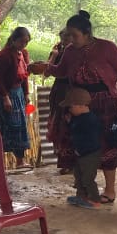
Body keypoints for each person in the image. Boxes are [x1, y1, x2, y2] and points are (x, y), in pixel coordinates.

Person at [38, 10, 117, 204]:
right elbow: (62, 71)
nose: (71, 39)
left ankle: (109, 190)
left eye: (75, 35)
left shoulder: (107, 48)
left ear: (87, 34)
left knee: (106, 143)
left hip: (105, 102)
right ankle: (83, 188)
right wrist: (47, 68)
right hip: (78, 103)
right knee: (78, 143)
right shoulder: (69, 51)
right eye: (69, 35)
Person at [0, 26, 32, 169]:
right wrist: (5, 97)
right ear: (14, 39)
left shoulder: (24, 54)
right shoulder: (4, 55)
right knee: (9, 126)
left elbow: (25, 76)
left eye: (26, 42)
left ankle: (20, 161)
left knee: (19, 126)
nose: (23, 45)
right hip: (6, 94)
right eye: (21, 41)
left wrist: (26, 93)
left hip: (18, 93)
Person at [62, 88, 103, 209]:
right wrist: (70, 122)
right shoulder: (78, 118)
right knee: (78, 176)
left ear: (80, 106)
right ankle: (81, 196)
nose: (69, 109)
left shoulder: (91, 120)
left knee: (88, 178)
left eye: (71, 106)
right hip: (81, 153)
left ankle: (95, 200)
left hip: (90, 154)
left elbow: (91, 138)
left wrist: (82, 149)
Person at [45, 28, 74, 175]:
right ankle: (65, 162)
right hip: (60, 92)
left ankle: (77, 161)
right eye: (63, 39)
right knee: (60, 125)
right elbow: (46, 72)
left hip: (74, 91)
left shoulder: (78, 51)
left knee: (73, 125)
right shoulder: (58, 51)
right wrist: (54, 56)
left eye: (68, 38)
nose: (65, 42)